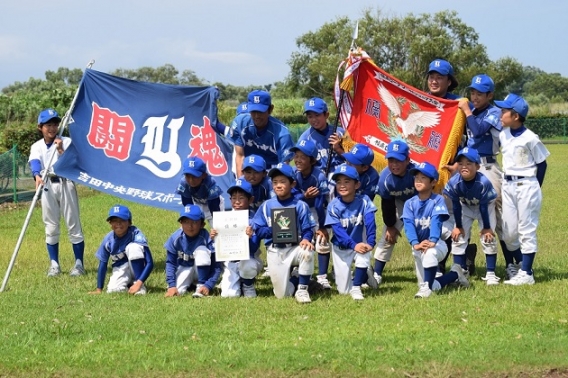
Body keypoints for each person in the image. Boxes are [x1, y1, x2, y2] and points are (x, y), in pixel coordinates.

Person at [454, 74, 517, 276]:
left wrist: (466, 111)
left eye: (480, 93)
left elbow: (478, 130)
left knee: (498, 220)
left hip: (487, 167)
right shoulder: (470, 110)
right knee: (460, 212)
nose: (475, 96)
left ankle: (511, 264)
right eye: (472, 92)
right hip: (466, 166)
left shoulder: (494, 111)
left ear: (489, 95)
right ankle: (461, 263)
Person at [495, 94, 550, 285]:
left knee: (527, 229)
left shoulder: (530, 138)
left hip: (527, 184)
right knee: (509, 233)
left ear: (516, 116)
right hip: (508, 185)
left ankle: (526, 273)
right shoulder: (503, 134)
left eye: (504, 111)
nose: (501, 114)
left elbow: (542, 165)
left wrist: (535, 188)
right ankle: (522, 265)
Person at [28, 108, 85, 277]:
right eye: (48, 125)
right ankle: (54, 265)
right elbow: (35, 162)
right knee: (51, 226)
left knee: (73, 224)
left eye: (55, 124)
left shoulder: (66, 142)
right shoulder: (36, 146)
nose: (52, 128)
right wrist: (37, 176)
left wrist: (60, 150)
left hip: (65, 183)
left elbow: (73, 164)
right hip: (47, 185)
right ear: (40, 127)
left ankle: (79, 264)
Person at [402, 162, 470, 298]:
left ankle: (427, 287)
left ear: (433, 182)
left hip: (437, 244)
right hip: (418, 246)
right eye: (416, 178)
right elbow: (408, 225)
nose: (418, 181)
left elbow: (436, 221)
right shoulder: (409, 203)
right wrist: (415, 243)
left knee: (430, 254)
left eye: (423, 178)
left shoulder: (438, 200)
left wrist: (432, 240)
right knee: (431, 285)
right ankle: (455, 273)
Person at [252, 163, 317, 303]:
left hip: (294, 247)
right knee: (283, 295)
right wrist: (275, 230)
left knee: (307, 251)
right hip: (275, 250)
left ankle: (303, 289)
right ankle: (297, 277)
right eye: (275, 182)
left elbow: (307, 229)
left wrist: (306, 239)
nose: (278, 185)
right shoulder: (267, 205)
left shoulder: (300, 205)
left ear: (292, 184)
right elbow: (259, 230)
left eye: (282, 181)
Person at [443, 147, 500, 285]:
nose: (464, 167)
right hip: (466, 207)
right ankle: (459, 272)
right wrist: (459, 226)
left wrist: (487, 227)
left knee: (488, 237)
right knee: (458, 237)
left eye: (469, 163)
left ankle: (491, 273)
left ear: (477, 166)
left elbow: (483, 206)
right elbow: (456, 205)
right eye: (461, 163)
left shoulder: (483, 182)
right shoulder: (454, 182)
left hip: (485, 207)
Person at [325, 165, 377, 300]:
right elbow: (338, 232)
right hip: (341, 247)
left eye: (347, 181)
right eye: (338, 182)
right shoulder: (333, 206)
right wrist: (353, 245)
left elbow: (371, 223)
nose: (342, 185)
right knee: (343, 291)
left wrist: (370, 243)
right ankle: (365, 274)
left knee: (363, 252)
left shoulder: (364, 200)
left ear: (357, 184)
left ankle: (357, 287)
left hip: (359, 245)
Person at [373, 140, 416, 286]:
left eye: (399, 160)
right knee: (387, 237)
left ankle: (429, 269)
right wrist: (391, 226)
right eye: (391, 160)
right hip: (397, 202)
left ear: (408, 160)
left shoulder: (415, 173)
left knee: (422, 235)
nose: (394, 164)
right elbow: (387, 204)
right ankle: (377, 273)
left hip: (417, 204)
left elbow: (424, 196)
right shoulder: (385, 179)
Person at [289, 139, 331, 289]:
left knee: (322, 241)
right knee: (299, 240)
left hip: (317, 210)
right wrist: (304, 197)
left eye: (302, 157)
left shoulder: (318, 176)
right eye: (296, 156)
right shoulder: (293, 174)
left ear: (312, 160)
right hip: (298, 208)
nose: (298, 160)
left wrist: (323, 226)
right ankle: (297, 271)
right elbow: (290, 199)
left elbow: (320, 203)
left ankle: (322, 276)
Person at [212, 179, 263, 298]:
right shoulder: (225, 218)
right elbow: (219, 247)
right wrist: (214, 236)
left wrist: (249, 237)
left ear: (250, 200)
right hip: (231, 261)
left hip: (249, 259)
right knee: (229, 295)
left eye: (241, 198)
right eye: (234, 198)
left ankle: (248, 285)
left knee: (247, 264)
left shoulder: (255, 219)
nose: (237, 202)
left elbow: (254, 247)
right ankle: (238, 282)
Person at [90, 205, 154, 295]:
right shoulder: (108, 240)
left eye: (122, 220)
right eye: (114, 221)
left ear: (129, 222)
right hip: (120, 268)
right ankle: (128, 284)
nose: (118, 224)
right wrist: (99, 289)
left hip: (138, 267)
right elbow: (103, 263)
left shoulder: (136, 234)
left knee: (133, 247)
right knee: (113, 291)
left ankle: (138, 285)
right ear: (110, 223)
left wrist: (139, 283)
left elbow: (150, 262)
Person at [229, 89, 294, 175]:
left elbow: (284, 166)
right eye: (253, 111)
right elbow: (240, 156)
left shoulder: (282, 133)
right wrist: (241, 184)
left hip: (273, 170)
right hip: (250, 170)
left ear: (270, 109)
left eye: (260, 111)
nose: (256, 116)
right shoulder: (240, 123)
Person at [164, 205, 223, 297]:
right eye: (185, 221)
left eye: (194, 222)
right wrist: (171, 285)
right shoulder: (175, 238)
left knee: (202, 251)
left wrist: (208, 285)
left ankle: (201, 286)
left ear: (202, 224)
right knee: (177, 292)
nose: (190, 226)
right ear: (181, 223)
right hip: (185, 268)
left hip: (203, 273)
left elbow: (217, 267)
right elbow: (170, 263)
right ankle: (191, 285)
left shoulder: (207, 238)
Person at [297, 97, 346, 173]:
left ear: (326, 115)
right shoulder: (305, 139)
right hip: (319, 178)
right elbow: (301, 165)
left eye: (317, 115)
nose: (314, 119)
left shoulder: (340, 132)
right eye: (310, 116)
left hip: (341, 175)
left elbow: (354, 161)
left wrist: (338, 149)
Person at [176, 156, 224, 223]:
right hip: (197, 203)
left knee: (218, 228)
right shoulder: (184, 183)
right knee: (189, 228)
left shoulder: (210, 183)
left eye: (194, 176)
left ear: (204, 175)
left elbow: (214, 207)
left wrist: (217, 223)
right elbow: (187, 204)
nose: (191, 180)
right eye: (187, 176)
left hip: (213, 204)